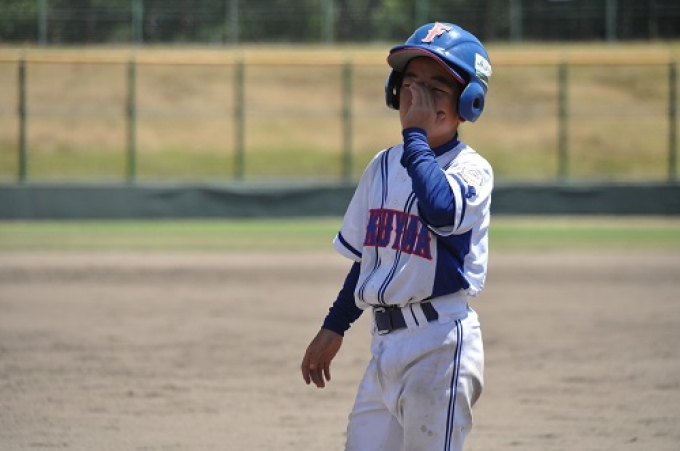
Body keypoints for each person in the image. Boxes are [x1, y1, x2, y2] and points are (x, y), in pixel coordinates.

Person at [301, 21, 493, 451]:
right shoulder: (383, 166)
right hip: (384, 347)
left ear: (468, 102)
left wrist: (415, 136)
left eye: (435, 89)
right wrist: (334, 326)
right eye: (410, 85)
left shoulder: (471, 169)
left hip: (439, 346)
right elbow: (369, 259)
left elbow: (440, 208)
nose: (417, 99)